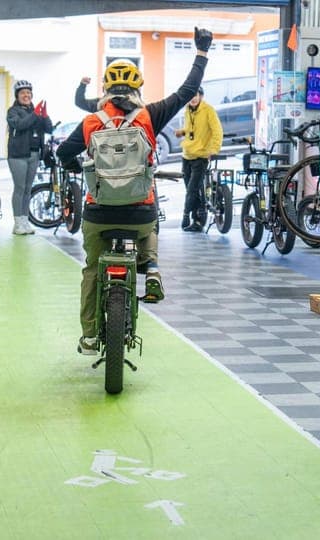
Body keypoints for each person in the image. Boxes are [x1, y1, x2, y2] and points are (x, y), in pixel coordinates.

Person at [57, 27, 214, 356]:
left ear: (105, 88)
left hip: (98, 212)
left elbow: (62, 154)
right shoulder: (150, 115)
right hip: (139, 212)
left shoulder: (91, 122)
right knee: (151, 213)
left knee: (91, 268)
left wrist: (76, 167)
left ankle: (88, 336)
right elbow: (186, 91)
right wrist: (201, 52)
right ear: (137, 87)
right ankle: (151, 268)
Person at [7, 80, 53, 235]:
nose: (26, 95)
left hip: (34, 154)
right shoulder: (12, 111)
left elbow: (49, 129)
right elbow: (20, 125)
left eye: (28, 93)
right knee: (19, 188)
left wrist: (45, 116)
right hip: (18, 155)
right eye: (22, 93)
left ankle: (25, 221)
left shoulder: (37, 112)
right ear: (17, 96)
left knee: (27, 189)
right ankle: (17, 223)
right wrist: (35, 114)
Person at [174, 87, 222, 232]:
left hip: (201, 156)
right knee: (192, 190)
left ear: (200, 96)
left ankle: (187, 215)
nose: (193, 98)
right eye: (190, 96)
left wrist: (214, 150)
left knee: (192, 189)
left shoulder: (208, 110)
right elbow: (191, 130)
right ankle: (198, 220)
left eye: (196, 95)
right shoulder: (188, 110)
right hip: (187, 155)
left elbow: (217, 131)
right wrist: (182, 132)